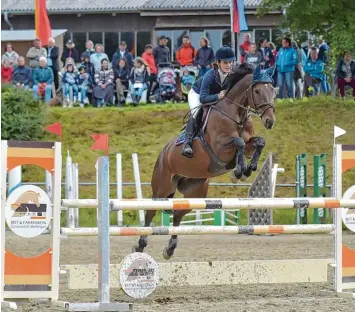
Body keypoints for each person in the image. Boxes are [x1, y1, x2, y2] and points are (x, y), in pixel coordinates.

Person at [181, 46, 235, 158]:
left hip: (216, 96)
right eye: (225, 62)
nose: (229, 65)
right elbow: (203, 98)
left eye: (231, 62)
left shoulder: (232, 75)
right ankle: (187, 143)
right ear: (218, 63)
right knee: (196, 112)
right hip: (197, 94)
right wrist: (218, 96)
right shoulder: (209, 75)